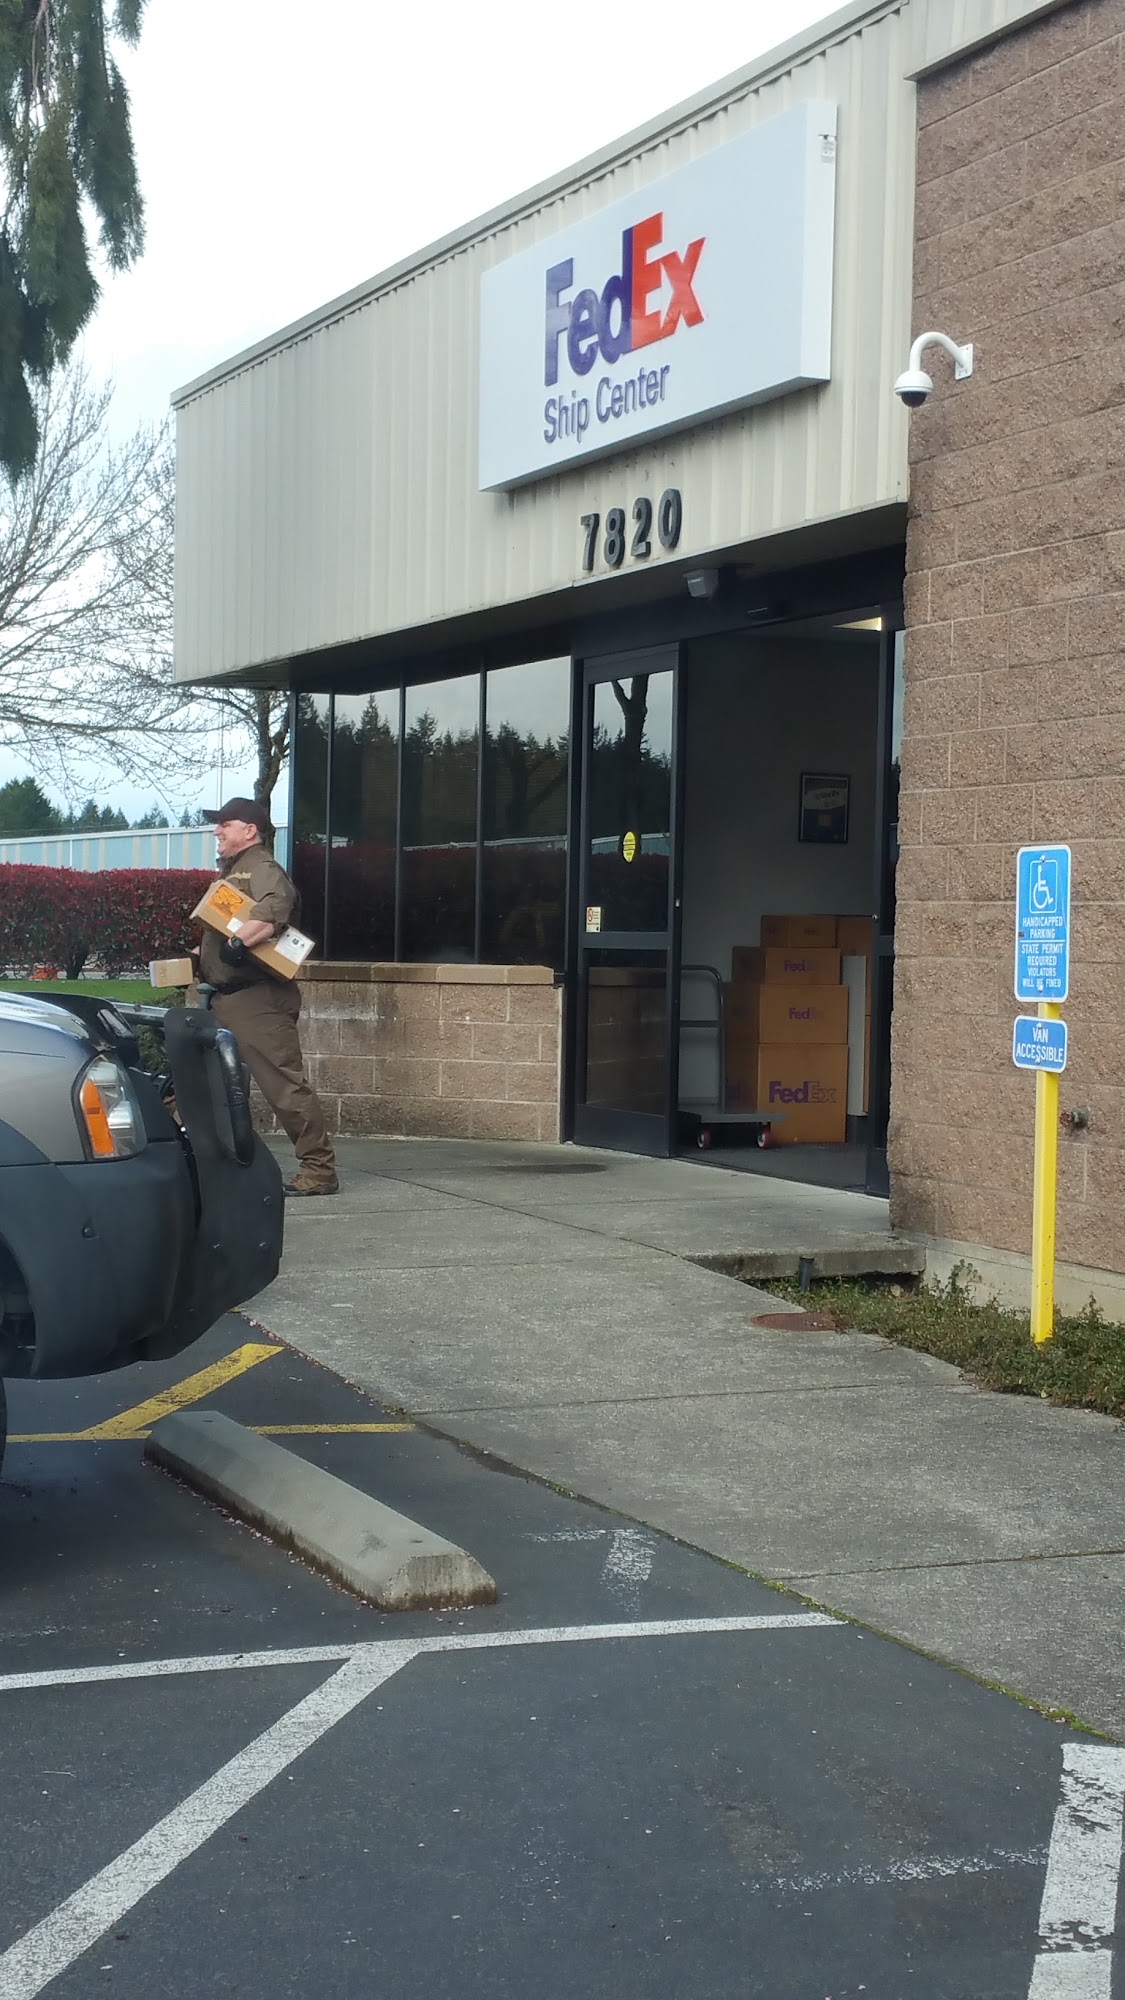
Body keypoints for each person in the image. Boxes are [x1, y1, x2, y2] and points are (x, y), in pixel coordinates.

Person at [196, 797, 338, 1198]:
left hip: (258, 1002)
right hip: (224, 998)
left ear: (250, 830)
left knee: (284, 1088)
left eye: (225, 824)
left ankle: (319, 1170)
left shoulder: (260, 867)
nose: (217, 830)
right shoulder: (233, 870)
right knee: (210, 1085)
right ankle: (217, 1165)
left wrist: (240, 943)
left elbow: (277, 906)